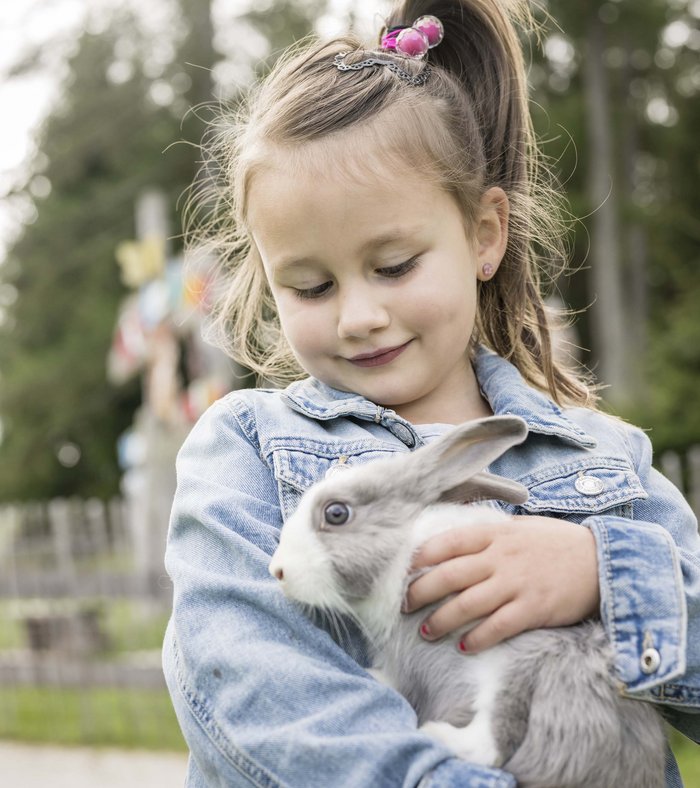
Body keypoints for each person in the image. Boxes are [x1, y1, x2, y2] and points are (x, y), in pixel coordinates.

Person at [162, 1, 700, 785]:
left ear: (484, 235)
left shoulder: (600, 459)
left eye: (393, 267)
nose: (359, 316)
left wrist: (600, 570)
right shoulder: (243, 448)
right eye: (310, 286)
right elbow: (259, 695)